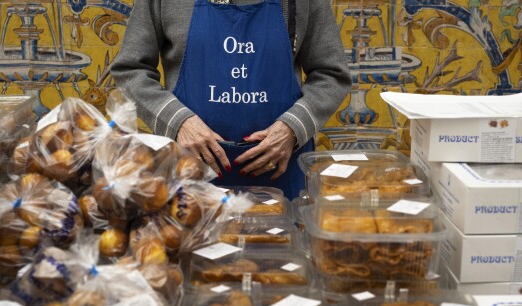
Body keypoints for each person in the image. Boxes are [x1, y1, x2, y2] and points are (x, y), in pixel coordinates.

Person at [111, 0, 351, 199]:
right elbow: (130, 70)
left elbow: (331, 74)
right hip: (190, 179)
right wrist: (178, 122)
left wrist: (293, 128)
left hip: (281, 180)